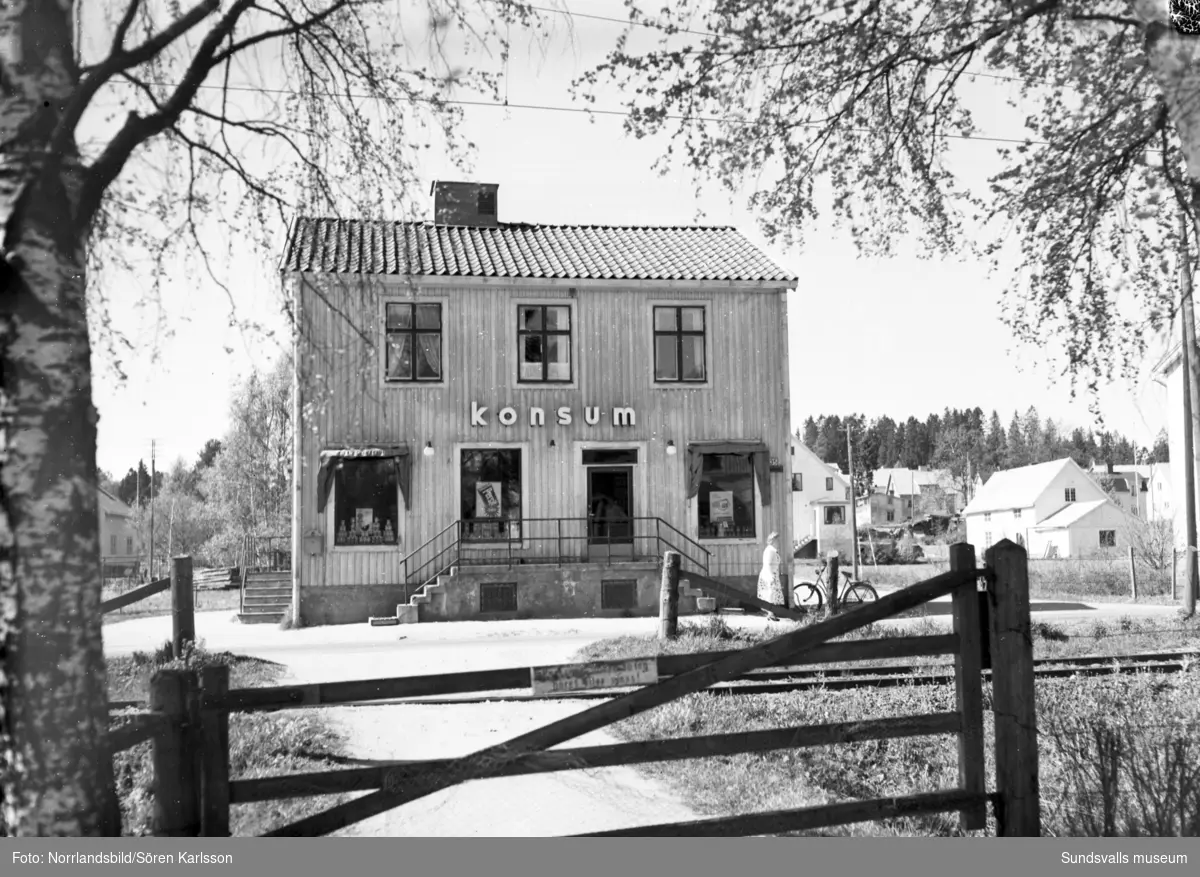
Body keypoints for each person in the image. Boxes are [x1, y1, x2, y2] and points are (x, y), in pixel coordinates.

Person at [758, 531, 784, 622]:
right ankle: (771, 613)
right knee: (770, 593)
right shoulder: (770, 550)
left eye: (779, 540)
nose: (779, 542)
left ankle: (771, 613)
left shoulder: (773, 550)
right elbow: (768, 564)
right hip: (769, 574)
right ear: (772, 541)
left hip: (773, 574)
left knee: (772, 594)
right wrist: (771, 576)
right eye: (777, 540)